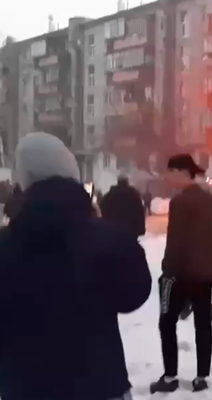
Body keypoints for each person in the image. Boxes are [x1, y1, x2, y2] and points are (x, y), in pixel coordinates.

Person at [0, 132, 151, 400]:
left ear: (24, 179)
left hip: (25, 387)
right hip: (100, 384)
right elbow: (134, 295)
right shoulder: (105, 238)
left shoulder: (7, 245)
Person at [151, 154, 212, 394]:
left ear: (181, 172)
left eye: (170, 172)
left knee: (167, 322)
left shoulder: (180, 202)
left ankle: (170, 377)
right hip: (204, 273)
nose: (167, 177)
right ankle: (201, 377)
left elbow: (176, 242)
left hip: (180, 273)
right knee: (203, 323)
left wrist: (168, 272)